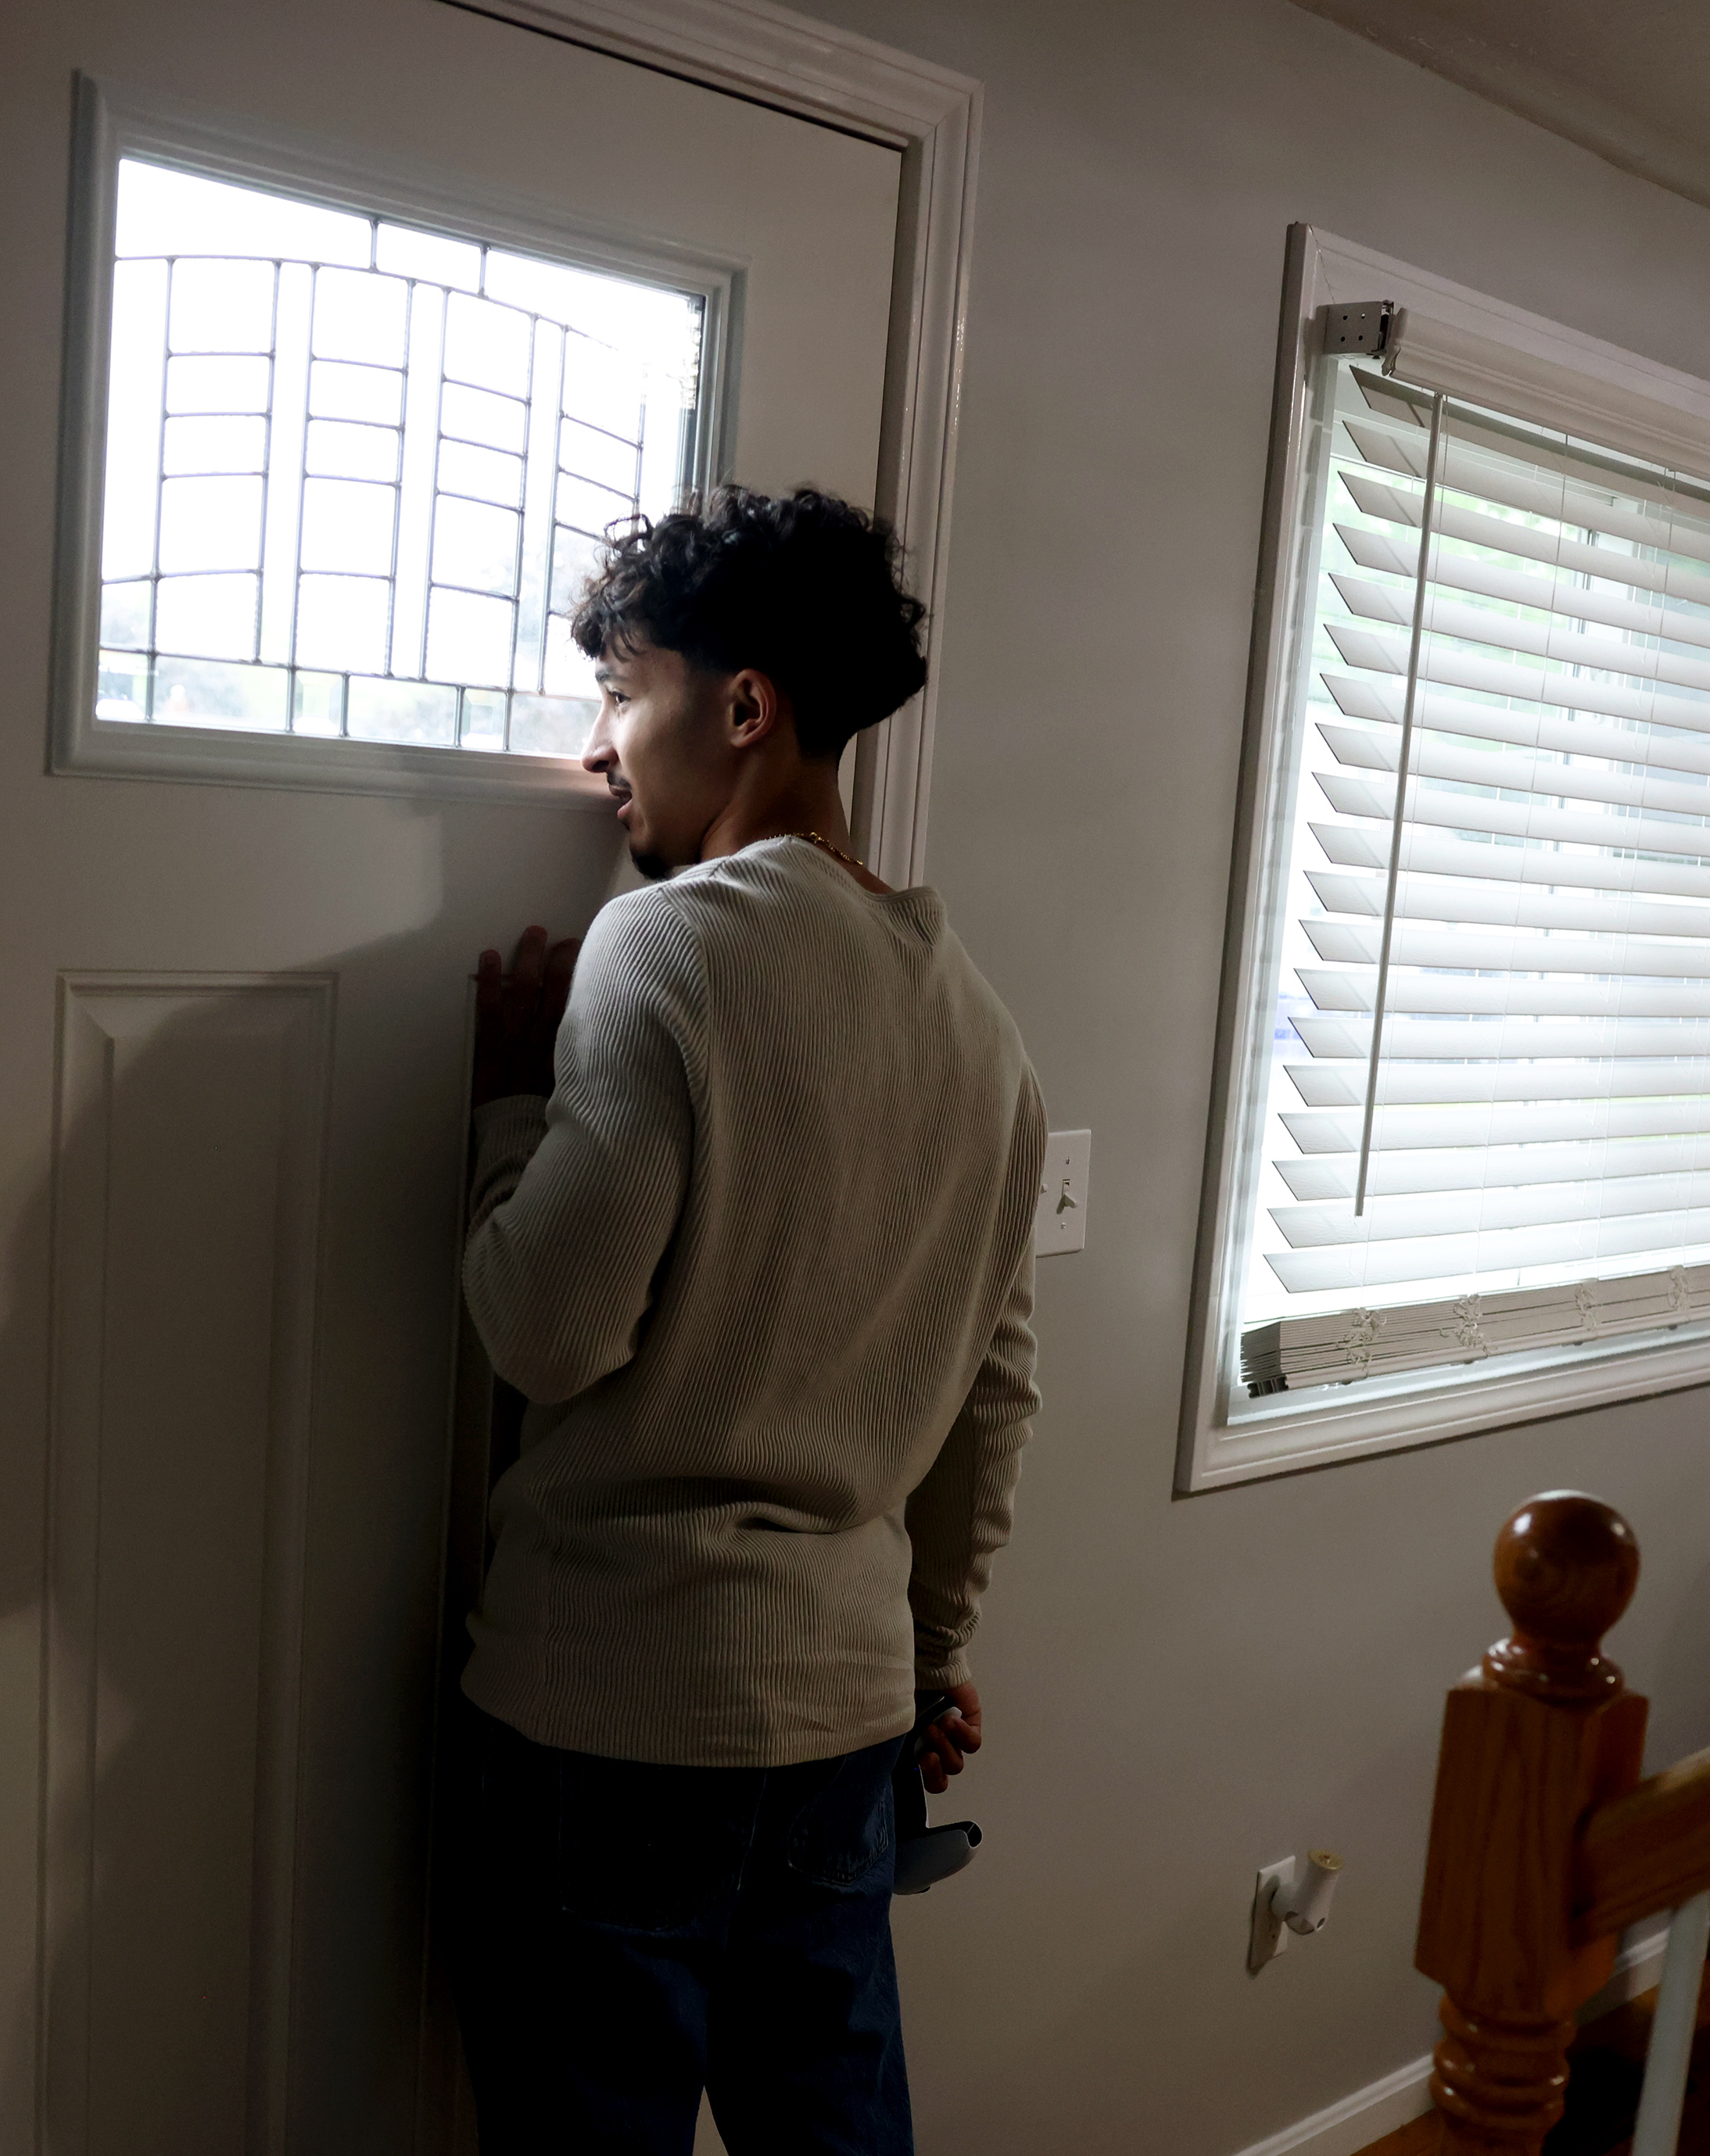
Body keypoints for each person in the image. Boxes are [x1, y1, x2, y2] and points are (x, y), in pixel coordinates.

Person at [446, 485, 1044, 2154]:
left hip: (608, 1719)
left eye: (621, 693)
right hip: (844, 1722)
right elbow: (993, 1401)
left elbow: (545, 1331)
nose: (597, 748)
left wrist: (506, 1113)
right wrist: (931, 1656)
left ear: (743, 707)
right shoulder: (983, 1031)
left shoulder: (662, 946)